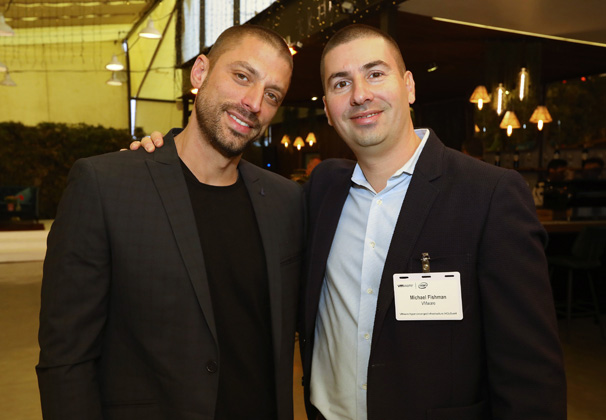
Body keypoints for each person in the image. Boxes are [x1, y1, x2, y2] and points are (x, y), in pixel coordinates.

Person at [137, 24, 566, 420]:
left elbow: (531, 376)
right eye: (341, 83)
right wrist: (155, 159)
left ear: (409, 86)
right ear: (327, 108)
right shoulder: (320, 191)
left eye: (375, 74)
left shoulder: (489, 195)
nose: (360, 95)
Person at [37, 25, 304, 420]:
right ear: (200, 72)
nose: (253, 103)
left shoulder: (286, 202)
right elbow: (66, 358)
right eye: (241, 76)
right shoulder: (106, 186)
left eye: (271, 95)